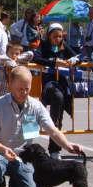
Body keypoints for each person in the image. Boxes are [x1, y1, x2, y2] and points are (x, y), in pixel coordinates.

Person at [0, 66, 84, 187]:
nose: (24, 92)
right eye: (20, 89)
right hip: (0, 154)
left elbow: (53, 131)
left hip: (23, 157)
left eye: (27, 88)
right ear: (10, 85)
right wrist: (4, 149)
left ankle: (16, 181)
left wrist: (67, 145)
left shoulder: (36, 106)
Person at [32, 23, 78, 159]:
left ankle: (55, 149)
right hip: (48, 84)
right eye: (54, 36)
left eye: (60, 36)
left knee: (57, 118)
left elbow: (79, 57)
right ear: (49, 36)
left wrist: (72, 62)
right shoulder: (44, 45)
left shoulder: (64, 45)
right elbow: (36, 57)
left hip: (62, 84)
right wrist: (54, 62)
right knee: (57, 97)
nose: (57, 39)